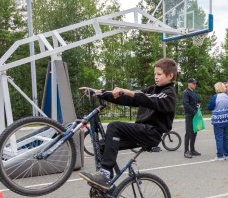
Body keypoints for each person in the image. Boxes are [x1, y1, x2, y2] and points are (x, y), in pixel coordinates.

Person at [78, 57, 178, 189]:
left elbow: (150, 100)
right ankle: (107, 185)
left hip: (151, 133)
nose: (156, 77)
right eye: (155, 74)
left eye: (159, 74)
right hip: (140, 132)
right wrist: (98, 93)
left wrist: (130, 92)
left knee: (114, 126)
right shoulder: (151, 89)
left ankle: (105, 174)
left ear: (170, 75)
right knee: (103, 146)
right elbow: (127, 98)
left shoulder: (169, 94)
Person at [207, 82, 228, 160]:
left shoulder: (215, 97)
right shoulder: (227, 96)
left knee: (219, 138)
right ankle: (227, 154)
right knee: (226, 138)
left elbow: (210, 107)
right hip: (226, 120)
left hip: (218, 121)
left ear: (217, 88)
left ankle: (220, 156)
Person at [182, 78, 201, 159]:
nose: (195, 85)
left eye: (195, 83)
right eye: (194, 83)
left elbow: (199, 100)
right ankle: (186, 151)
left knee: (194, 132)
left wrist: (199, 104)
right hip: (189, 115)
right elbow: (186, 105)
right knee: (188, 133)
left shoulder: (195, 92)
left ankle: (192, 150)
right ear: (189, 84)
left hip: (195, 115)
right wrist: (194, 112)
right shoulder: (186, 92)